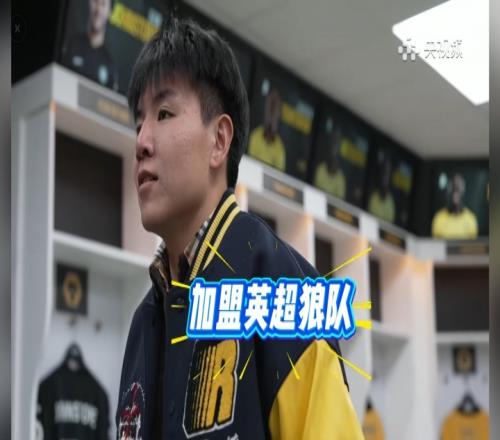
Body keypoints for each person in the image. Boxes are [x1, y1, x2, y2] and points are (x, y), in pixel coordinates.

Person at [116, 16, 363, 439]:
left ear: (219, 140)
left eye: (164, 113)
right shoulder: (144, 322)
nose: (141, 141)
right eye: (139, 122)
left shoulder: (288, 294)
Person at [61, 0, 119, 91]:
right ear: (89, 3)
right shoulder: (72, 45)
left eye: (103, 4)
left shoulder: (110, 65)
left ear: (110, 12)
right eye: (96, 2)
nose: (98, 10)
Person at [248, 88, 286, 171]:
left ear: (278, 115)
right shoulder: (255, 136)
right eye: (270, 108)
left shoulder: (280, 148)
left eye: (274, 109)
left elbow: (278, 175)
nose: (271, 114)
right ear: (265, 111)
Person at [431, 173, 478, 239]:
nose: (455, 190)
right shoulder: (438, 218)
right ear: (448, 192)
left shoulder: (471, 219)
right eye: (453, 187)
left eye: (458, 188)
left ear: (463, 191)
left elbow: (474, 244)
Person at [313, 127, 346, 199]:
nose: (333, 165)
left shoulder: (340, 178)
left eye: (337, 141)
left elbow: (339, 202)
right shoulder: (320, 169)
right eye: (334, 140)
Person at [368, 153, 395, 223]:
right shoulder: (373, 196)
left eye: (387, 173)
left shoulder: (390, 201)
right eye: (383, 172)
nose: (385, 177)